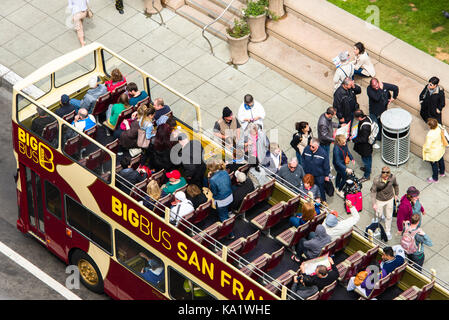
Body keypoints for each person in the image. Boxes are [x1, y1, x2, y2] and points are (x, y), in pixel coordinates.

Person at [367, 78, 399, 148]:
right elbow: (376, 98)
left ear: (378, 83)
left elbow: (395, 88)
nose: (376, 88)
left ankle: (379, 137)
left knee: (381, 125)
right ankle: (373, 142)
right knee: (374, 127)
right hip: (374, 111)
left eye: (377, 86)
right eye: (374, 87)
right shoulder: (369, 89)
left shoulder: (384, 85)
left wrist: (394, 97)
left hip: (383, 110)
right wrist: (380, 89)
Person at [370, 166, 399, 241]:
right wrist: (374, 203)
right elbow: (373, 191)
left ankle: (387, 231)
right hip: (379, 199)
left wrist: (396, 194)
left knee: (389, 216)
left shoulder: (393, 177)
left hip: (390, 198)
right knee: (378, 215)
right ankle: (381, 216)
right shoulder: (376, 180)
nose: (386, 178)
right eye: (385, 177)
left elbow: (396, 185)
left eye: (387, 177)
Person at [207, 159, 235, 239]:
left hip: (221, 201)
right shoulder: (225, 172)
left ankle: (231, 234)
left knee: (223, 218)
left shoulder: (212, 179)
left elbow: (214, 192)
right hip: (229, 196)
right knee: (225, 213)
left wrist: (209, 178)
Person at [302, 138, 330, 202]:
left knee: (321, 190)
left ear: (317, 146)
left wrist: (326, 175)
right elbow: (303, 159)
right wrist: (304, 168)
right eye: (310, 145)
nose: (310, 148)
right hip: (308, 175)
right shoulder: (306, 149)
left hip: (319, 176)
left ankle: (323, 202)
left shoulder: (323, 153)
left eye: (313, 147)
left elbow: (326, 165)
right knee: (309, 190)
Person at [351, 109, 373, 183]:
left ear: (359, 117)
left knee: (366, 160)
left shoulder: (365, 127)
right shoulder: (367, 118)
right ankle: (368, 169)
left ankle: (367, 175)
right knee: (368, 158)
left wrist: (353, 139)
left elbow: (364, 139)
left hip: (365, 147)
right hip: (367, 146)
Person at [422, 118, 446, 183]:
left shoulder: (430, 135)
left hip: (433, 153)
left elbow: (427, 146)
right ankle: (442, 172)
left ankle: (435, 178)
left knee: (434, 165)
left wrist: (425, 151)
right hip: (440, 149)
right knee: (441, 160)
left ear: (430, 126)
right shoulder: (439, 128)